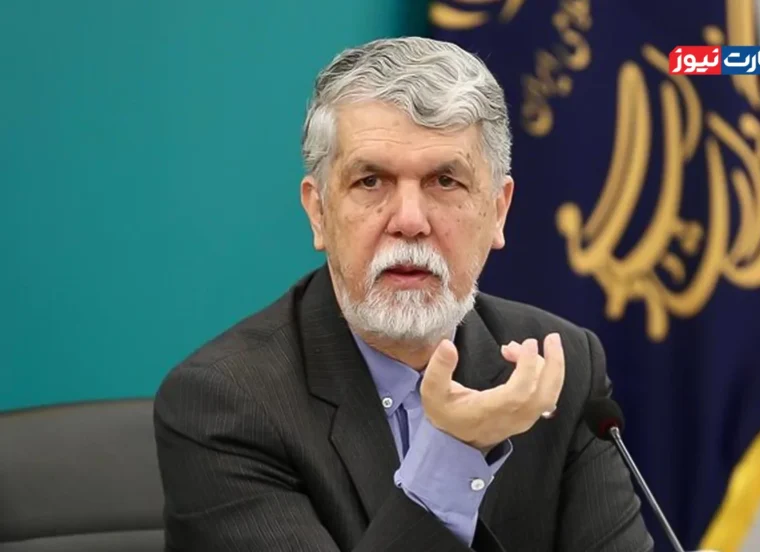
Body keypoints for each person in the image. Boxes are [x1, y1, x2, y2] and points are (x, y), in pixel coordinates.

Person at [153, 36, 654, 552]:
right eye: (371, 181)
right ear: (319, 212)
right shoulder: (225, 403)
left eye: (445, 181)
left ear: (498, 211)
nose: (410, 221)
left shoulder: (561, 368)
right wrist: (459, 449)